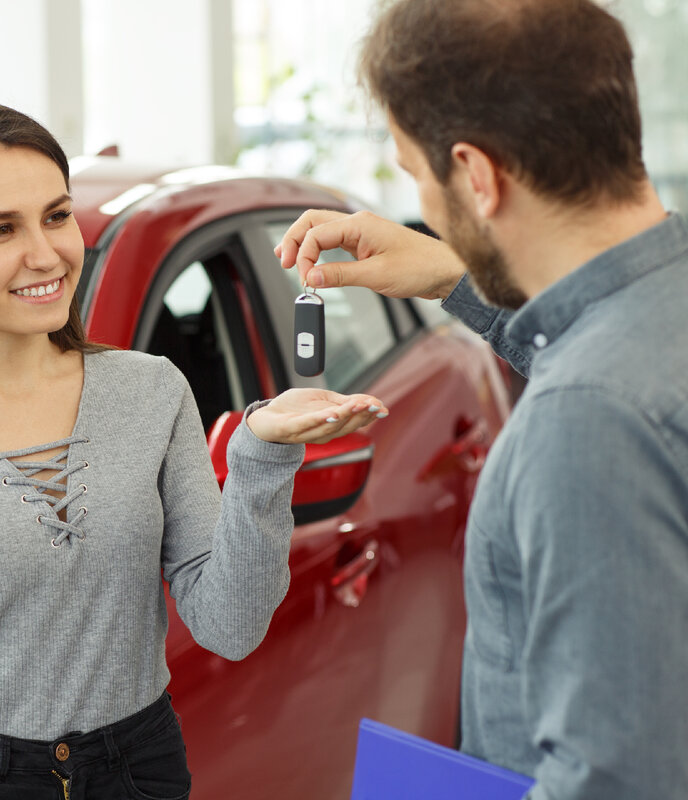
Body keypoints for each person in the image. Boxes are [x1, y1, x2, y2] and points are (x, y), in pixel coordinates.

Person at [0, 99, 388, 799]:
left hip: (137, 771)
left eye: (56, 216)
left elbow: (230, 627)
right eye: (0, 230)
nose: (47, 252)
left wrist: (260, 457)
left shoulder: (151, 391)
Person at [276, 1, 688, 798]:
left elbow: (617, 781)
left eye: (412, 175)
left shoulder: (588, 421)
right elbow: (588, 334)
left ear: (474, 175)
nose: (423, 204)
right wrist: (452, 274)